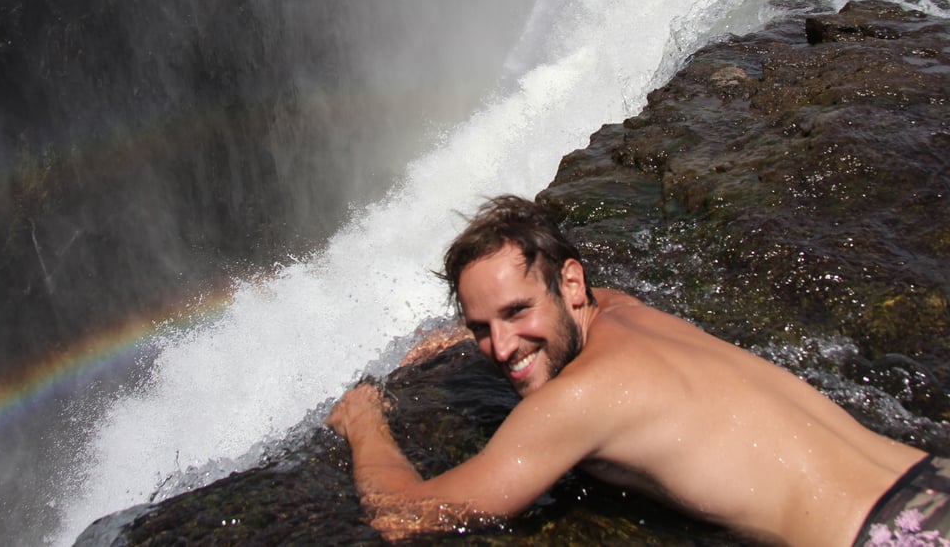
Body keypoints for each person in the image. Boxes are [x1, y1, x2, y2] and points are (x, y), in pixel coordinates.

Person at [327, 195, 950, 546]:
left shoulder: (574, 402)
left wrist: (364, 422)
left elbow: (406, 514)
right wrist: (475, 330)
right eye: (480, 328)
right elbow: (538, 324)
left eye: (516, 312)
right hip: (928, 480)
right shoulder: (623, 313)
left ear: (570, 281)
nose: (500, 346)